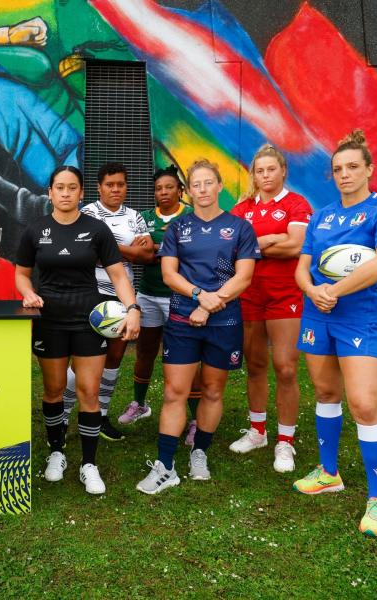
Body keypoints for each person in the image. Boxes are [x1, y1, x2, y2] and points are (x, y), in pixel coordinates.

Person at [292, 130, 377, 538]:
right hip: (316, 313)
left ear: (369, 170)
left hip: (357, 318)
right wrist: (313, 290)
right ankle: (329, 472)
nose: (345, 174)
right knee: (325, 392)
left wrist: (335, 290)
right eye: (338, 169)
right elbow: (303, 266)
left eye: (353, 167)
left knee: (363, 403)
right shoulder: (321, 216)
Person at [15, 165, 141, 495]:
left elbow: (117, 275)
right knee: (54, 389)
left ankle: (89, 463)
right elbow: (21, 273)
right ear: (50, 193)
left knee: (88, 389)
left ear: (81, 192)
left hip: (89, 320)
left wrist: (133, 309)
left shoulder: (97, 230)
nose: (66, 193)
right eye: (60, 187)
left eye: (72, 188)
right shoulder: (36, 230)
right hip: (50, 320)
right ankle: (56, 453)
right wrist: (27, 293)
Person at [136, 159, 259, 495]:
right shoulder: (177, 228)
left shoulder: (240, 228)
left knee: (213, 390)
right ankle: (166, 466)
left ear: (220, 187)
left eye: (209, 183)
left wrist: (211, 304)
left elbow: (244, 276)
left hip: (224, 321)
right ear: (189, 191)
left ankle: (200, 452)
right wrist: (199, 297)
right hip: (182, 320)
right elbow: (168, 274)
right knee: (175, 391)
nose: (203, 190)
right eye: (197, 185)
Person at [228, 145, 313, 472]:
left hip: (284, 296)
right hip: (250, 295)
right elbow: (234, 247)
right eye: (259, 171)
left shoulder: (296, 204)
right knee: (256, 364)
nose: (265, 176)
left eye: (270, 170)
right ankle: (258, 431)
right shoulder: (242, 208)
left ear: (282, 171)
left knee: (286, 367)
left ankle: (285, 442)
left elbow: (296, 244)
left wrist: (256, 244)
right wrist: (272, 241)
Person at [60, 162, 153, 441]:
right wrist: (127, 251)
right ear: (99, 187)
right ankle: (62, 416)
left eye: (121, 184)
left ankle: (100, 417)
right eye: (110, 184)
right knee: (83, 359)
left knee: (114, 357)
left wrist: (108, 248)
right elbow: (86, 253)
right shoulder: (86, 213)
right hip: (90, 293)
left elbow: (147, 256)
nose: (115, 189)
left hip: (122, 295)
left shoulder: (134, 216)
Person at [124, 166, 202, 443]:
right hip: (147, 294)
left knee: (184, 358)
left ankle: (195, 419)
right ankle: (139, 405)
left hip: (179, 297)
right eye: (159, 189)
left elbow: (192, 253)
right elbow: (138, 254)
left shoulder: (192, 215)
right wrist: (160, 249)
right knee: (144, 351)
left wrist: (157, 249)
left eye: (169, 187)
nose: (163, 192)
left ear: (180, 190)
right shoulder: (144, 218)